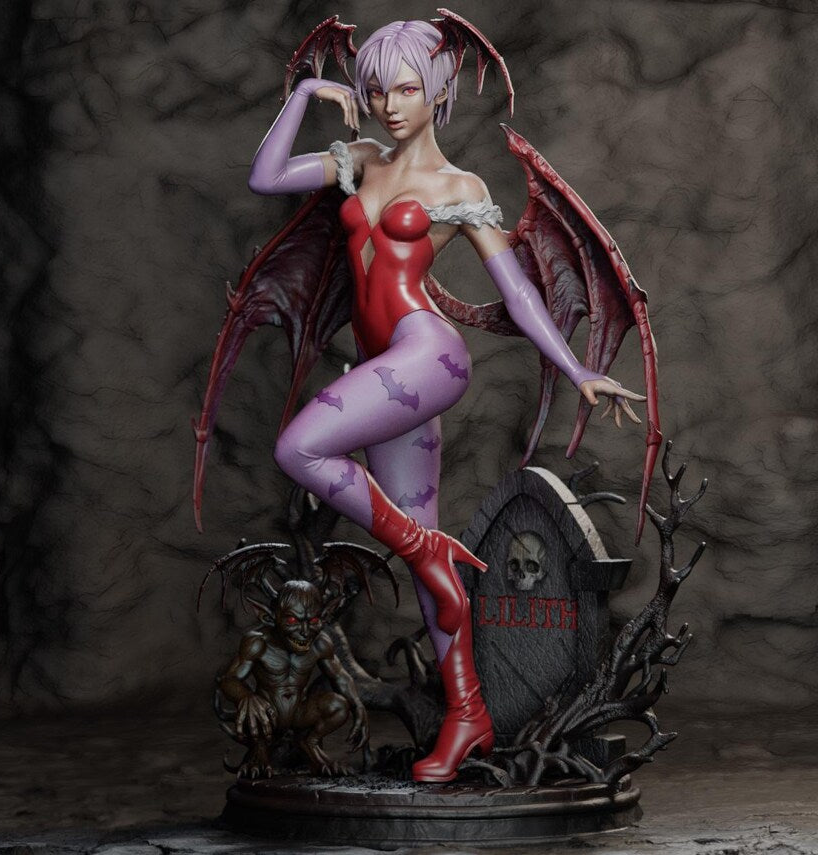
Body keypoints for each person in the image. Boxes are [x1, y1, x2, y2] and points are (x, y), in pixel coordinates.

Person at [244, 18, 645, 782]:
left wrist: (577, 368)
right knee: (429, 561)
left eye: (407, 89)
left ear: (438, 92)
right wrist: (304, 93)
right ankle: (469, 714)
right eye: (376, 90)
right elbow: (266, 176)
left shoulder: (462, 189)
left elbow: (519, 294)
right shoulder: (360, 160)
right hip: (382, 365)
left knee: (300, 447)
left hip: (427, 355)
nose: (391, 105)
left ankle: (425, 550)